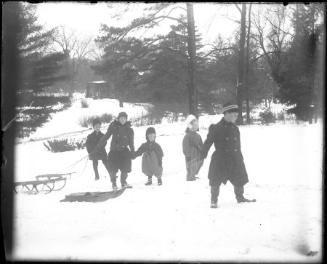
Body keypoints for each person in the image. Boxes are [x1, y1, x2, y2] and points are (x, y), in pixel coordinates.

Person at [201, 102, 256, 208]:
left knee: (239, 178)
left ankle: (240, 197)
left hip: (235, 158)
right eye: (233, 114)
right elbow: (208, 142)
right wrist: (202, 154)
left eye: (236, 114)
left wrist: (240, 157)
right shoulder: (215, 128)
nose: (236, 116)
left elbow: (237, 145)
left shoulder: (235, 128)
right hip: (220, 158)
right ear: (226, 113)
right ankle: (214, 200)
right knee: (215, 180)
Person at [98, 112, 135, 191]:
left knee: (126, 166)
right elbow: (106, 136)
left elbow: (131, 143)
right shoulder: (113, 126)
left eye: (124, 118)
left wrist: (133, 152)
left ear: (126, 119)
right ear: (118, 119)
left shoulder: (129, 130)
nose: (122, 119)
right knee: (112, 168)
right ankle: (114, 183)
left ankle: (123, 182)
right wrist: (100, 144)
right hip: (114, 150)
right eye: (121, 118)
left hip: (124, 151)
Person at [182, 115, 204, 181]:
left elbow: (201, 144)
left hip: (198, 154)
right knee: (191, 166)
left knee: (199, 164)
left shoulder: (198, 135)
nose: (195, 127)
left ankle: (193, 175)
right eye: (194, 125)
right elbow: (185, 146)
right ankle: (190, 178)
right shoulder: (187, 136)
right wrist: (188, 155)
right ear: (190, 126)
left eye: (196, 125)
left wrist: (203, 151)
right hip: (191, 155)